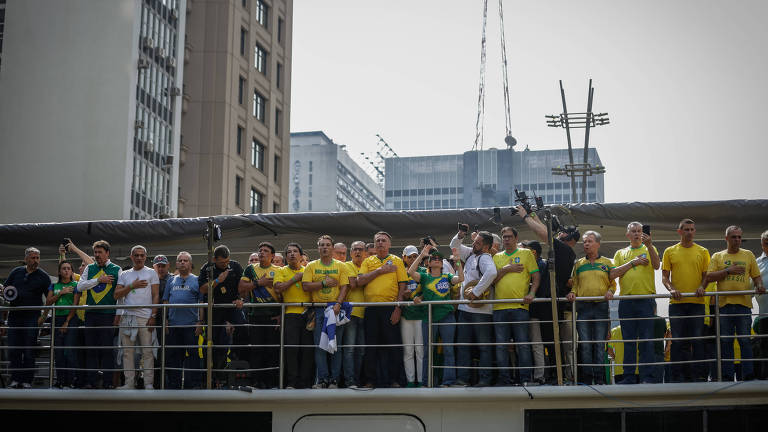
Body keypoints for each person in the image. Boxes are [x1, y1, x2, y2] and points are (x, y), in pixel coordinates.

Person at [516, 205, 578, 382]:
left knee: (552, 343)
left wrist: (526, 217)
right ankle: (551, 375)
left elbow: (545, 235)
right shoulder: (561, 251)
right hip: (543, 305)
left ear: (568, 237)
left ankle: (556, 376)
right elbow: (546, 233)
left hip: (551, 305)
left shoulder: (565, 251)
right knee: (546, 343)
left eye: (561, 233)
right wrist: (533, 215)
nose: (558, 234)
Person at [702, 225, 765, 380]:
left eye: (739, 237)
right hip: (724, 306)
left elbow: (756, 276)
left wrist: (759, 285)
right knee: (726, 342)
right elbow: (709, 277)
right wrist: (728, 271)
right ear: (726, 239)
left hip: (744, 305)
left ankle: (748, 375)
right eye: (734, 237)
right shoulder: (718, 256)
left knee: (745, 341)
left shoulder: (748, 254)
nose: (737, 240)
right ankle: (728, 376)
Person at [610, 222, 660, 384]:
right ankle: (629, 377)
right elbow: (613, 274)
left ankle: (647, 377)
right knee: (628, 341)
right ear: (627, 234)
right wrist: (633, 263)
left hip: (646, 299)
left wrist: (650, 245)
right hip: (626, 301)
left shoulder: (649, 248)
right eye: (634, 231)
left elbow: (657, 265)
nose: (638, 234)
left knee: (646, 340)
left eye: (640, 231)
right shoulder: (620, 252)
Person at [357, 231, 408, 388]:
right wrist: (380, 271)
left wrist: (398, 308)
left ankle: (395, 380)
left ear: (389, 244)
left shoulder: (397, 261)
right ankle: (370, 380)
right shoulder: (368, 261)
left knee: (393, 346)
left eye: (383, 240)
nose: (380, 243)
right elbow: (360, 281)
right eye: (377, 240)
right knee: (371, 346)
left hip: (390, 308)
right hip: (371, 309)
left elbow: (403, 285)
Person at [661, 218, 710, 382]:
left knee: (697, 340)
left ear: (695, 231)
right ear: (679, 232)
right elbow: (664, 278)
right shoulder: (670, 251)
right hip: (677, 304)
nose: (690, 232)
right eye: (686, 229)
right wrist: (672, 289)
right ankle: (677, 377)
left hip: (697, 303)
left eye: (692, 229)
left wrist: (702, 287)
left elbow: (706, 277)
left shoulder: (703, 251)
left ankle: (699, 376)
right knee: (677, 341)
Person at [408, 245, 463, 387]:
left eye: (439, 258)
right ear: (429, 262)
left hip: (446, 315)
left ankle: (448, 381)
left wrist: (457, 261)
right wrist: (421, 255)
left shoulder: (447, 276)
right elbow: (410, 271)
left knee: (449, 349)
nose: (437, 260)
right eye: (434, 258)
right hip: (429, 317)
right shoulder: (425, 277)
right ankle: (427, 382)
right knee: (428, 351)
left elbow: (461, 278)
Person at [492, 226, 539, 385]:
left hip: (520, 307)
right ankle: (504, 380)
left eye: (509, 236)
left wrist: (532, 293)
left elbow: (536, 276)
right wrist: (506, 269)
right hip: (499, 308)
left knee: (523, 345)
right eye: (504, 237)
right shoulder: (496, 257)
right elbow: (492, 281)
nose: (506, 239)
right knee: (501, 347)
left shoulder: (526, 253)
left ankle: (526, 379)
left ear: (516, 238)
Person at [567, 231, 615, 385]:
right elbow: (575, 284)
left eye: (589, 241)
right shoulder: (578, 263)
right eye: (585, 241)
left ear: (598, 244)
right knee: (586, 345)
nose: (586, 244)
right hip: (583, 306)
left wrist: (610, 291)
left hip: (601, 306)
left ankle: (600, 380)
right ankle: (587, 380)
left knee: (600, 344)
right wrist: (573, 293)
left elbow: (613, 283)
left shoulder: (607, 262)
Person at [302, 235, 350, 389]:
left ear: (332, 248)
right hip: (318, 310)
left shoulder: (341, 266)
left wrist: (338, 303)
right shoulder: (311, 266)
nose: (324, 247)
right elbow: (306, 286)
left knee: (337, 346)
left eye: (327, 245)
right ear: (318, 248)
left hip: (335, 309)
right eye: (321, 245)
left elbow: (345, 286)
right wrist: (324, 283)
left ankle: (334, 380)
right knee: (320, 346)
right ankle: (322, 379)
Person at [450, 229, 497, 387]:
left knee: (484, 348)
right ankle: (464, 379)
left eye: (478, 242)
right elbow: (454, 245)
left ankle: (484, 380)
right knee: (464, 347)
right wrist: (461, 234)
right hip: (465, 310)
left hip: (481, 312)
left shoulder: (484, 257)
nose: (474, 243)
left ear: (486, 247)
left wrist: (476, 292)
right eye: (474, 240)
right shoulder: (471, 254)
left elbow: (491, 272)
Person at [77, 240, 122, 389]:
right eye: (95, 252)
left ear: (107, 253)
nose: (97, 255)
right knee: (91, 349)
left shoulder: (117, 269)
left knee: (107, 349)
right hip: (90, 314)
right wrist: (99, 280)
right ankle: (92, 381)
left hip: (108, 314)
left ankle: (108, 382)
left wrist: (118, 315)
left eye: (100, 252)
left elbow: (120, 296)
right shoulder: (89, 268)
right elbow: (79, 286)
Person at [114, 245, 160, 389]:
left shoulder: (152, 272)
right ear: (131, 256)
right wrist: (132, 286)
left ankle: (148, 384)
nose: (139, 258)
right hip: (127, 317)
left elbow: (156, 295)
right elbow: (116, 295)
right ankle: (129, 383)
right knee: (127, 352)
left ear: (145, 257)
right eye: (136, 255)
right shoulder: (124, 274)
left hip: (146, 318)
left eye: (142, 255)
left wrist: (153, 315)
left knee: (148, 352)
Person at [198, 245, 245, 388]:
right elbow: (202, 289)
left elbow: (243, 288)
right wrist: (218, 280)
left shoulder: (236, 266)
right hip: (215, 310)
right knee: (214, 343)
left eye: (227, 262)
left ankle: (236, 369)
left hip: (232, 308)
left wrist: (240, 300)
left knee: (243, 330)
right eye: (222, 263)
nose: (225, 265)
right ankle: (213, 377)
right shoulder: (207, 268)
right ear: (214, 259)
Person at [3, 247, 50, 389]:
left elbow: (50, 297)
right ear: (26, 259)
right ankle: (15, 379)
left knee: (29, 349)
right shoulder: (16, 272)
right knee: (14, 349)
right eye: (32, 258)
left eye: (37, 258)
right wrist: (4, 291)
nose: (35, 261)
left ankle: (27, 380)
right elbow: (6, 289)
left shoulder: (43, 276)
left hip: (32, 317)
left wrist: (43, 316)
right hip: (15, 316)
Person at [238, 242, 281, 388]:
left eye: (266, 251)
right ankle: (256, 382)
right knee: (256, 350)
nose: (261, 253)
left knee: (272, 351)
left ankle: (272, 383)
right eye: (260, 250)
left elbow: (283, 294)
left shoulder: (279, 270)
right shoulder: (250, 269)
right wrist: (259, 283)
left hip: (273, 317)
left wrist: (281, 314)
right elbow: (241, 287)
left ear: (273, 255)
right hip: (255, 316)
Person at [273, 242, 313, 389]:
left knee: (308, 349)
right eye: (288, 252)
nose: (291, 254)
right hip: (290, 314)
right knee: (291, 349)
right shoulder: (281, 270)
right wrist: (296, 278)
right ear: (285, 256)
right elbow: (278, 288)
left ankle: (305, 382)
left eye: (295, 251)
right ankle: (291, 382)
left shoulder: (308, 270)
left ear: (301, 256)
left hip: (308, 315)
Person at [163, 252, 203, 389]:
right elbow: (165, 301)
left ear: (190, 264)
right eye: (180, 260)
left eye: (185, 260)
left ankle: (194, 384)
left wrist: (200, 322)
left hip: (191, 325)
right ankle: (174, 384)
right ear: (176, 264)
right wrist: (166, 320)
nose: (182, 262)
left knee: (193, 356)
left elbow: (202, 303)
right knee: (173, 356)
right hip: (173, 325)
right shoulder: (171, 280)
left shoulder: (197, 280)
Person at [521, 240, 554, 384]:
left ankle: (540, 375)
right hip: (541, 311)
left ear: (533, 252)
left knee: (537, 344)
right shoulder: (541, 264)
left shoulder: (539, 265)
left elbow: (541, 287)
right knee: (541, 344)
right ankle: (544, 374)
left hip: (537, 311)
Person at [46, 260, 79, 388]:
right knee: (58, 352)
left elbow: (75, 305)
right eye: (64, 268)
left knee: (69, 351)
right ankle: (60, 380)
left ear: (72, 271)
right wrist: (60, 293)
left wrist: (67, 321)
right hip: (56, 318)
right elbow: (48, 302)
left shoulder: (76, 284)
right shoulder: (53, 286)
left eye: (68, 268)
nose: (66, 270)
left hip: (70, 319)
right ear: (59, 271)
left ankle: (70, 381)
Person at [342, 241, 366, 388]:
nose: (358, 252)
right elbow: (353, 284)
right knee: (349, 349)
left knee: (362, 350)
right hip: (351, 313)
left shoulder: (367, 265)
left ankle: (357, 380)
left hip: (366, 313)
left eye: (360, 250)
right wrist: (367, 279)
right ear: (351, 253)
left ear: (365, 253)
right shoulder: (347, 265)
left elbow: (360, 282)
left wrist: (363, 279)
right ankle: (349, 381)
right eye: (355, 249)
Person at [400, 245, 424, 387]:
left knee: (420, 350)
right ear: (404, 257)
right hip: (406, 315)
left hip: (421, 314)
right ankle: (410, 380)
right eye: (410, 257)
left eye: (415, 256)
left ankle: (421, 380)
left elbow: (428, 289)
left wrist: (420, 296)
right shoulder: (400, 272)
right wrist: (403, 295)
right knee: (408, 350)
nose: (413, 259)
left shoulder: (423, 271)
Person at [152, 254, 171, 389]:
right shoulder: (149, 279)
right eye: (158, 266)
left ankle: (168, 385)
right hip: (152, 321)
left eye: (163, 266)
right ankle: (156, 384)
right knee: (153, 355)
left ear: (168, 266)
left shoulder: (173, 280)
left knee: (168, 354)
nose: (161, 268)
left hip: (169, 322)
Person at [755, 230, 768, 379]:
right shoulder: (757, 262)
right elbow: (749, 285)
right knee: (765, 348)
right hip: (765, 314)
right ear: (762, 244)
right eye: (767, 243)